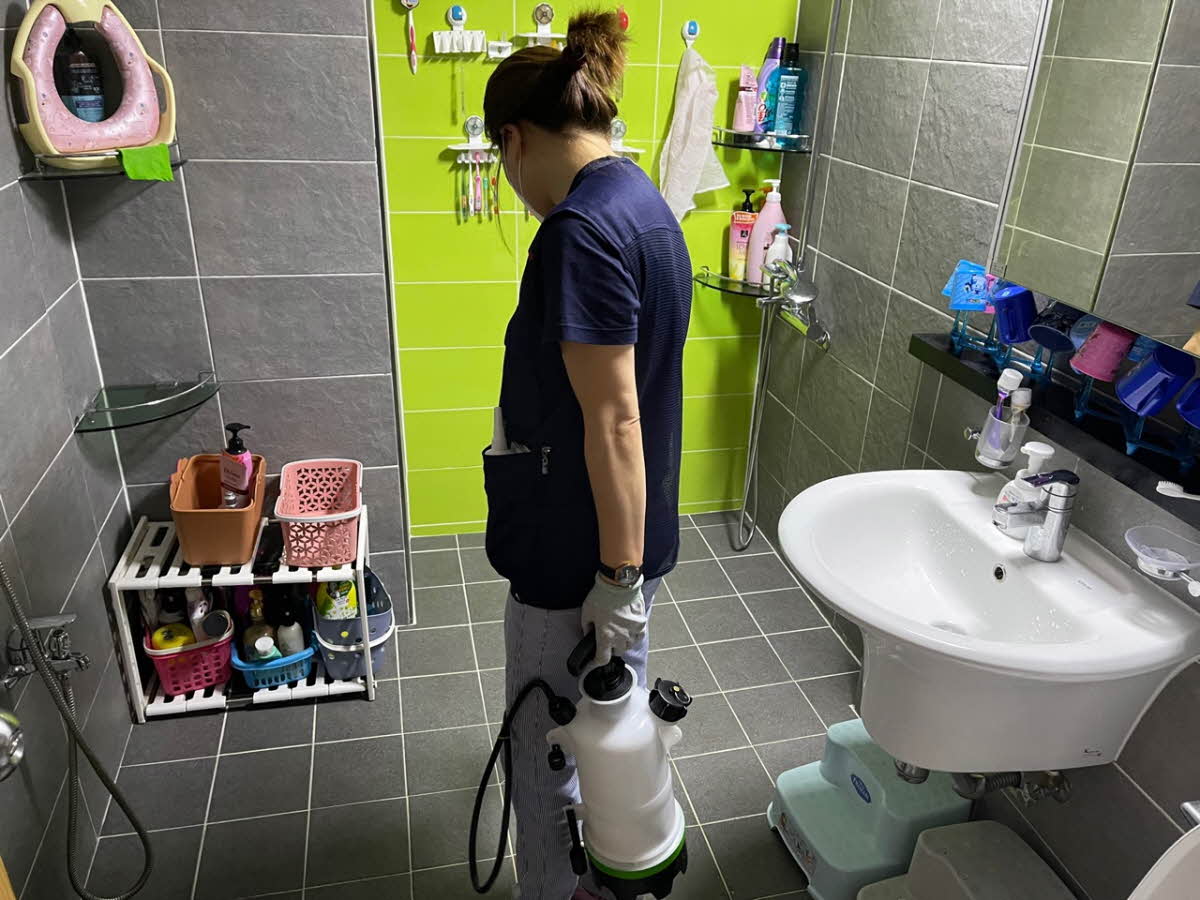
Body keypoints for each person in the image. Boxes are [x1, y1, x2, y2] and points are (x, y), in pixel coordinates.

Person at [481, 7, 693, 899]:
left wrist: (614, 576)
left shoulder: (578, 232)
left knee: (550, 747)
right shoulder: (644, 205)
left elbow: (614, 422)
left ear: (515, 138)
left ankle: (552, 890)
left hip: (576, 556)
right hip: (617, 543)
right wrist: (628, 574)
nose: (513, 184)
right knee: (613, 731)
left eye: (503, 162)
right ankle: (606, 882)